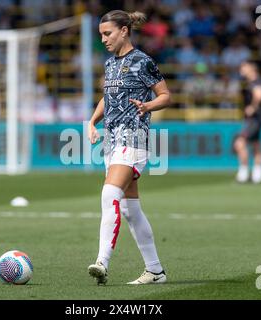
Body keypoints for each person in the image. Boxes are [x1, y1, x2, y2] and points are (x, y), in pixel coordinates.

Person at [87, 10, 171, 285]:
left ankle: (102, 262)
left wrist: (147, 106)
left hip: (134, 138)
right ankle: (155, 271)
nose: (103, 39)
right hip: (112, 141)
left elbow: (165, 95)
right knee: (129, 209)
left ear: (124, 30)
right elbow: (107, 96)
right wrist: (92, 121)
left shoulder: (143, 61)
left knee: (109, 192)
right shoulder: (110, 64)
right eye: (101, 34)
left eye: (107, 33)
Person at [234, 61, 261, 184]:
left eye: (244, 67)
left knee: (239, 143)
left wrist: (253, 107)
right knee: (256, 145)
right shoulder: (251, 83)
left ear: (251, 68)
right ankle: (257, 174)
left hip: (255, 119)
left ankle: (243, 173)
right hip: (258, 119)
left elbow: (260, 95)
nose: (241, 69)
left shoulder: (256, 82)